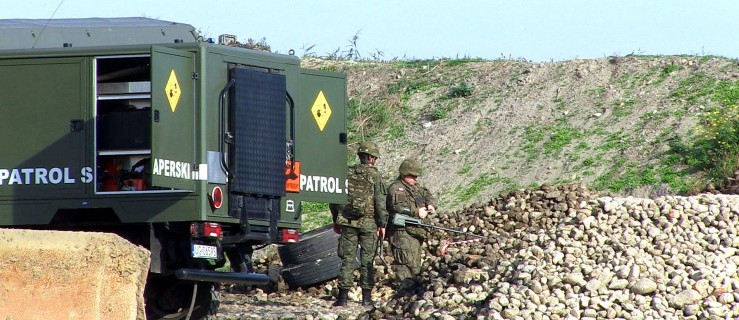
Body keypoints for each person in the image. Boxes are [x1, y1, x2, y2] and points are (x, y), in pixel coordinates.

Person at [329, 141, 388, 307]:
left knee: (347, 259)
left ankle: (342, 299)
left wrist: (336, 219)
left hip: (348, 222)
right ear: (372, 158)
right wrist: (382, 224)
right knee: (367, 260)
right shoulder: (375, 176)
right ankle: (366, 299)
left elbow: (334, 198)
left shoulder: (346, 173)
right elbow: (380, 202)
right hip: (369, 224)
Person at [385, 158, 437, 288]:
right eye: (413, 176)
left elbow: (427, 194)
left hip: (415, 232)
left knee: (415, 265)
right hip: (402, 233)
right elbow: (398, 207)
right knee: (405, 265)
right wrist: (416, 212)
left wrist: (430, 204)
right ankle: (402, 293)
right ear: (404, 174)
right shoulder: (397, 188)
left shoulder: (415, 187)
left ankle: (410, 291)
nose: (416, 179)